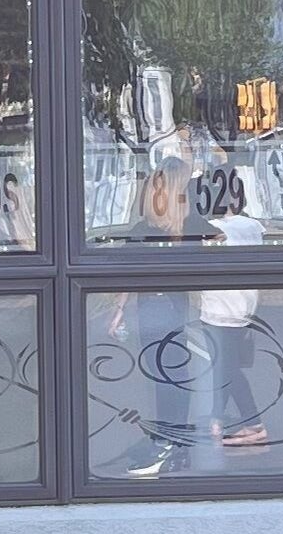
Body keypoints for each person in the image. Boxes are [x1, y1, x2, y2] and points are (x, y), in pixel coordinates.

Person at [110, 157, 215, 477]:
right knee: (172, 380)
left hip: (152, 307)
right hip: (177, 307)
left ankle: (167, 444)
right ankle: (173, 443)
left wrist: (117, 310)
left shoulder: (147, 226)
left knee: (162, 380)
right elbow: (219, 240)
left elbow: (126, 272)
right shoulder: (191, 223)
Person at [196, 173, 269, 449]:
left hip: (219, 307)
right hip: (245, 305)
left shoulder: (214, 229)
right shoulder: (253, 226)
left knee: (225, 369)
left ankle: (249, 424)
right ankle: (223, 421)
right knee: (227, 367)